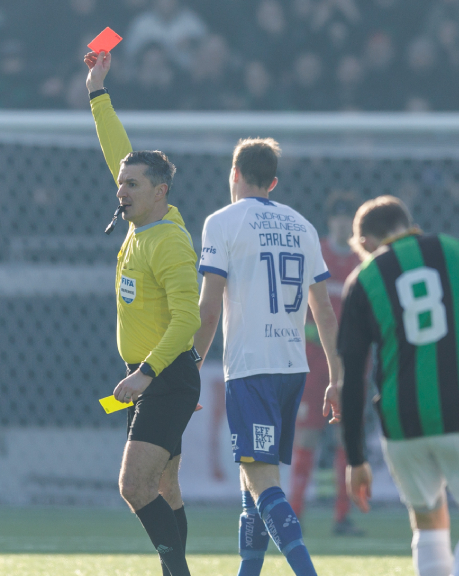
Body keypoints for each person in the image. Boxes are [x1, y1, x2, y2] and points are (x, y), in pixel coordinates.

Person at [338, 195, 459, 576]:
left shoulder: (364, 279)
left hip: (401, 422)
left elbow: (352, 381)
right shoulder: (457, 253)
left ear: (368, 243)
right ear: (409, 225)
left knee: (427, 522)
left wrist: (356, 458)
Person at [193, 137, 340, 576]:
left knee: (261, 482)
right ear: (273, 182)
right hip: (293, 368)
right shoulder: (303, 226)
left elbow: (209, 307)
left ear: (233, 174)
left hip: (252, 368)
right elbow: (325, 310)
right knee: (252, 484)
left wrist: (190, 368)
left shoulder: (221, 222)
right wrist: (337, 375)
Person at [85, 49, 200, 576]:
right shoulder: (140, 222)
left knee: (133, 487)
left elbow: (188, 321)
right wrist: (97, 91)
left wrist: (146, 373)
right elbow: (117, 153)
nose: (120, 189)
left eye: (131, 185)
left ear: (161, 193)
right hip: (152, 378)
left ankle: (175, 573)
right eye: (121, 183)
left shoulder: (170, 243)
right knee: (166, 485)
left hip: (163, 378)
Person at [290, 192, 364, 536]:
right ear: (330, 221)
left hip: (350, 364)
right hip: (313, 362)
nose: (342, 223)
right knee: (305, 439)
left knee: (345, 442)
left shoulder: (364, 261)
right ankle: (295, 513)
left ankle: (341, 516)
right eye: (338, 217)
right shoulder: (314, 252)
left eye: (348, 217)